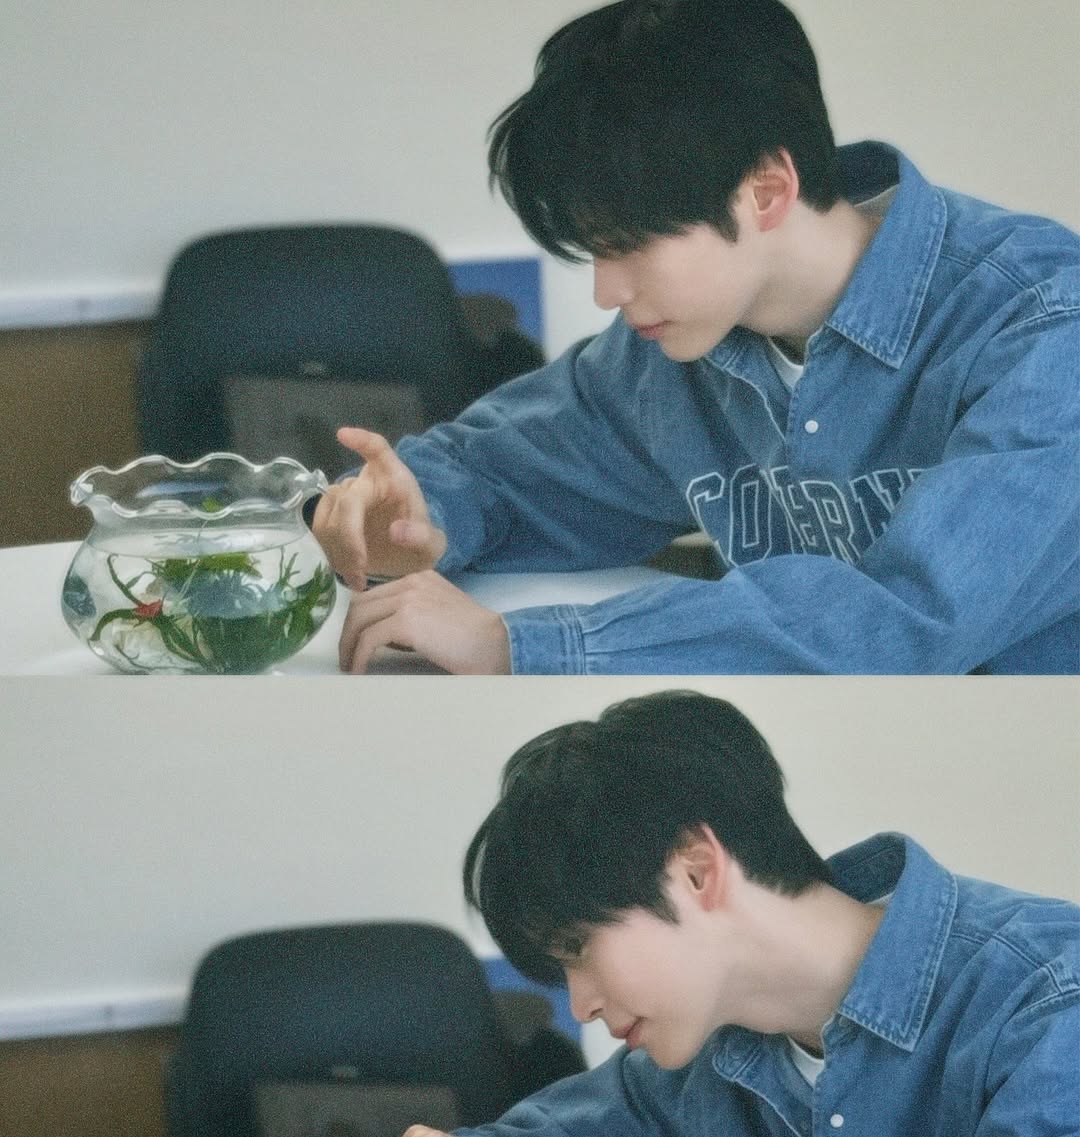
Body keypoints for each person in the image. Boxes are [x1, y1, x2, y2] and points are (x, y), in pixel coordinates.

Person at [313, 0, 1079, 676]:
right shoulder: (670, 351)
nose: (606, 291)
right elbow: (500, 470)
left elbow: (905, 619)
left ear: (766, 191)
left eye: (627, 244)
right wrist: (415, 519)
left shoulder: (1042, 322)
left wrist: (524, 647)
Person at [347, 690, 1080, 1137]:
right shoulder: (706, 1065)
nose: (580, 1005)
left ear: (697, 870)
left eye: (580, 949)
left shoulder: (1051, 1003)